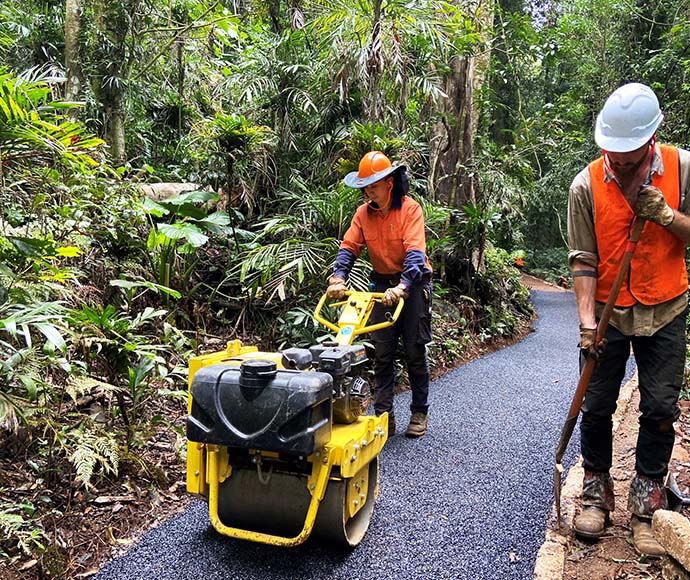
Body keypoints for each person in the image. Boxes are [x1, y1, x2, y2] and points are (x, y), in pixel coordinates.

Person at [567, 82, 690, 557]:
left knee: (659, 407)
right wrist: (584, 323)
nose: (617, 162)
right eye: (610, 153)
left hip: (667, 306)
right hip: (606, 314)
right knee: (596, 405)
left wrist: (667, 216)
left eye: (628, 155)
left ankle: (647, 504)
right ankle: (596, 491)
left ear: (650, 139)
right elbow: (582, 259)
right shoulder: (586, 185)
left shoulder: (682, 167)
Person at [326, 151, 433, 438]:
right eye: (366, 185)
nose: (368, 190)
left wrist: (402, 288)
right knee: (383, 354)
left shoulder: (410, 210)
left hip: (413, 284)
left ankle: (419, 412)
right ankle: (384, 415)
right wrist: (338, 278)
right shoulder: (363, 214)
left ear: (389, 182)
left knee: (413, 351)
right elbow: (349, 247)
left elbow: (414, 254)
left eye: (373, 184)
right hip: (381, 288)